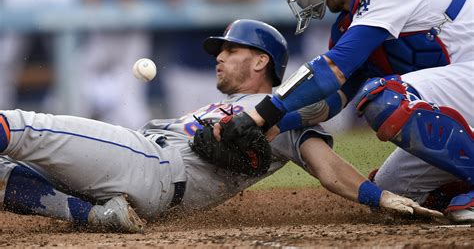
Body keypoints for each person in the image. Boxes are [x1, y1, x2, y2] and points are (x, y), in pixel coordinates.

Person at [0, 19, 440, 233]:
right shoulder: (226, 105)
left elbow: (326, 166)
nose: (220, 56)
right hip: (142, 167)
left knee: (19, 126)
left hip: (152, 168)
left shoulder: (278, 113)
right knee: (3, 172)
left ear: (261, 60)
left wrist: (379, 196)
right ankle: (100, 216)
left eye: (231, 49)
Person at [212, 0, 473, 224]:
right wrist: (277, 124)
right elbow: (333, 98)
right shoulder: (350, 22)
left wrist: (262, 112)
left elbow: (332, 67)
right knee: (395, 191)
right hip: (465, 96)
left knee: (384, 97)